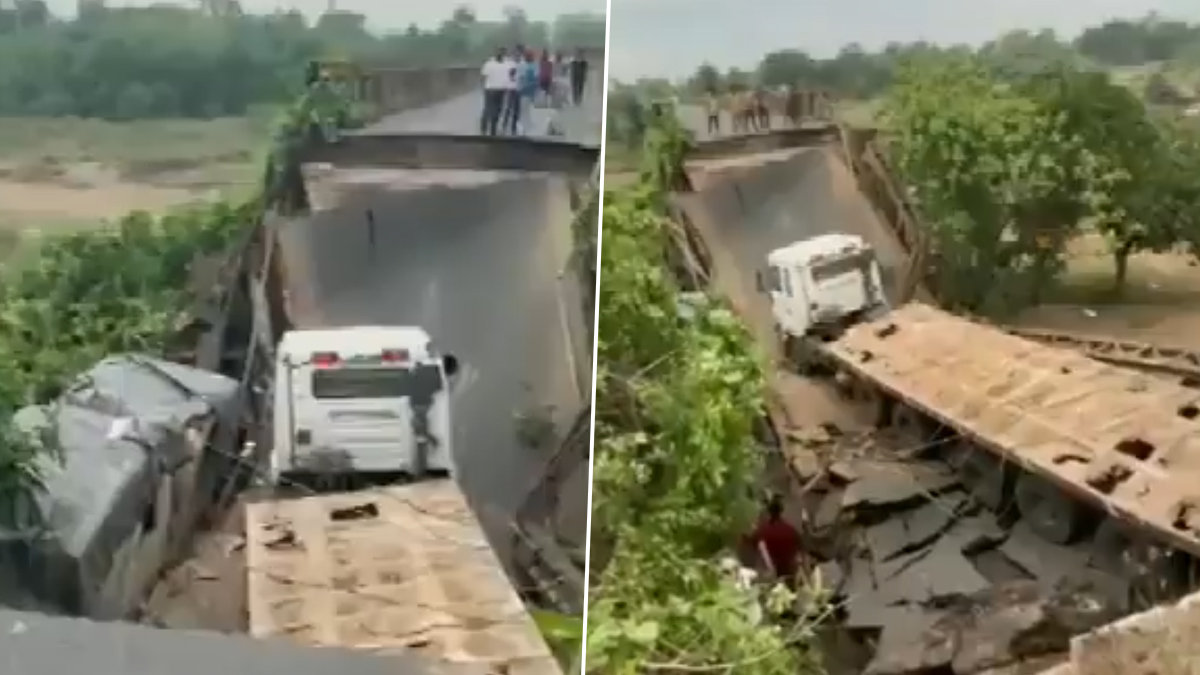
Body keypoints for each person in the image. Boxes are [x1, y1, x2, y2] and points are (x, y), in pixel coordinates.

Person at [748, 495, 803, 588]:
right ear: (782, 511)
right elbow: (799, 551)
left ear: (768, 512)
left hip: (769, 574)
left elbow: (753, 544)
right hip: (789, 572)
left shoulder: (762, 532)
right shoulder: (792, 530)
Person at [479, 48, 511, 136]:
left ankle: (488, 128)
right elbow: (483, 77)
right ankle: (487, 128)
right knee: (492, 109)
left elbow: (483, 76)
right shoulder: (490, 64)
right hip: (493, 89)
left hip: (497, 89)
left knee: (493, 109)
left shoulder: (491, 64)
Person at [515, 50, 540, 135]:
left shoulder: (535, 65)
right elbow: (521, 79)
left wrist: (535, 89)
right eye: (529, 56)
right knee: (524, 110)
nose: (530, 57)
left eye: (531, 56)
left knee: (527, 110)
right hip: (524, 91)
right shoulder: (522, 65)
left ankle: (526, 127)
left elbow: (536, 79)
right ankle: (524, 128)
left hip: (529, 91)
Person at [500, 47, 522, 135]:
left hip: (517, 89)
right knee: (508, 109)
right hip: (510, 89)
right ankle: (504, 126)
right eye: (516, 54)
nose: (518, 55)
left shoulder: (521, 63)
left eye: (519, 54)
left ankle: (513, 127)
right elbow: (508, 74)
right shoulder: (510, 63)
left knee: (516, 110)